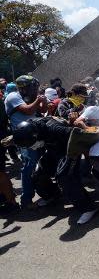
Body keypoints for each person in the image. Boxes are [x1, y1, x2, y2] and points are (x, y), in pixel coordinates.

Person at [5, 75, 47, 209]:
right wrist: (37, 100)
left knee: (41, 164)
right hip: (24, 138)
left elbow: (42, 110)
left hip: (35, 134)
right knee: (28, 167)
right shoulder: (13, 96)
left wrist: (44, 101)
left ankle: (45, 191)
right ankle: (26, 200)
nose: (35, 90)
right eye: (32, 87)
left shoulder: (29, 97)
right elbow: (28, 109)